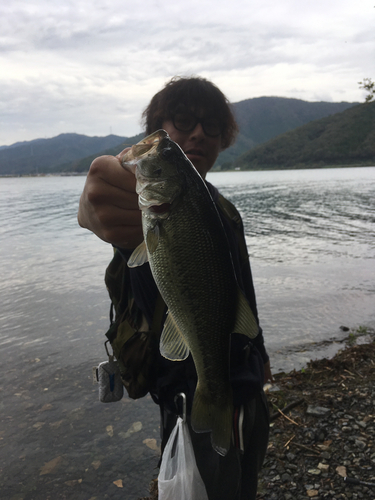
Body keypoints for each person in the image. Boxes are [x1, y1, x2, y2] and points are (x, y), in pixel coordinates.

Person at [78, 76, 272, 500]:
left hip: (246, 388)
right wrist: (98, 216)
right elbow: (124, 242)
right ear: (157, 123)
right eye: (183, 121)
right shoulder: (145, 208)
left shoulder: (224, 210)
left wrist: (262, 358)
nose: (198, 133)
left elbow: (243, 302)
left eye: (212, 126)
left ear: (224, 139)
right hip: (186, 401)